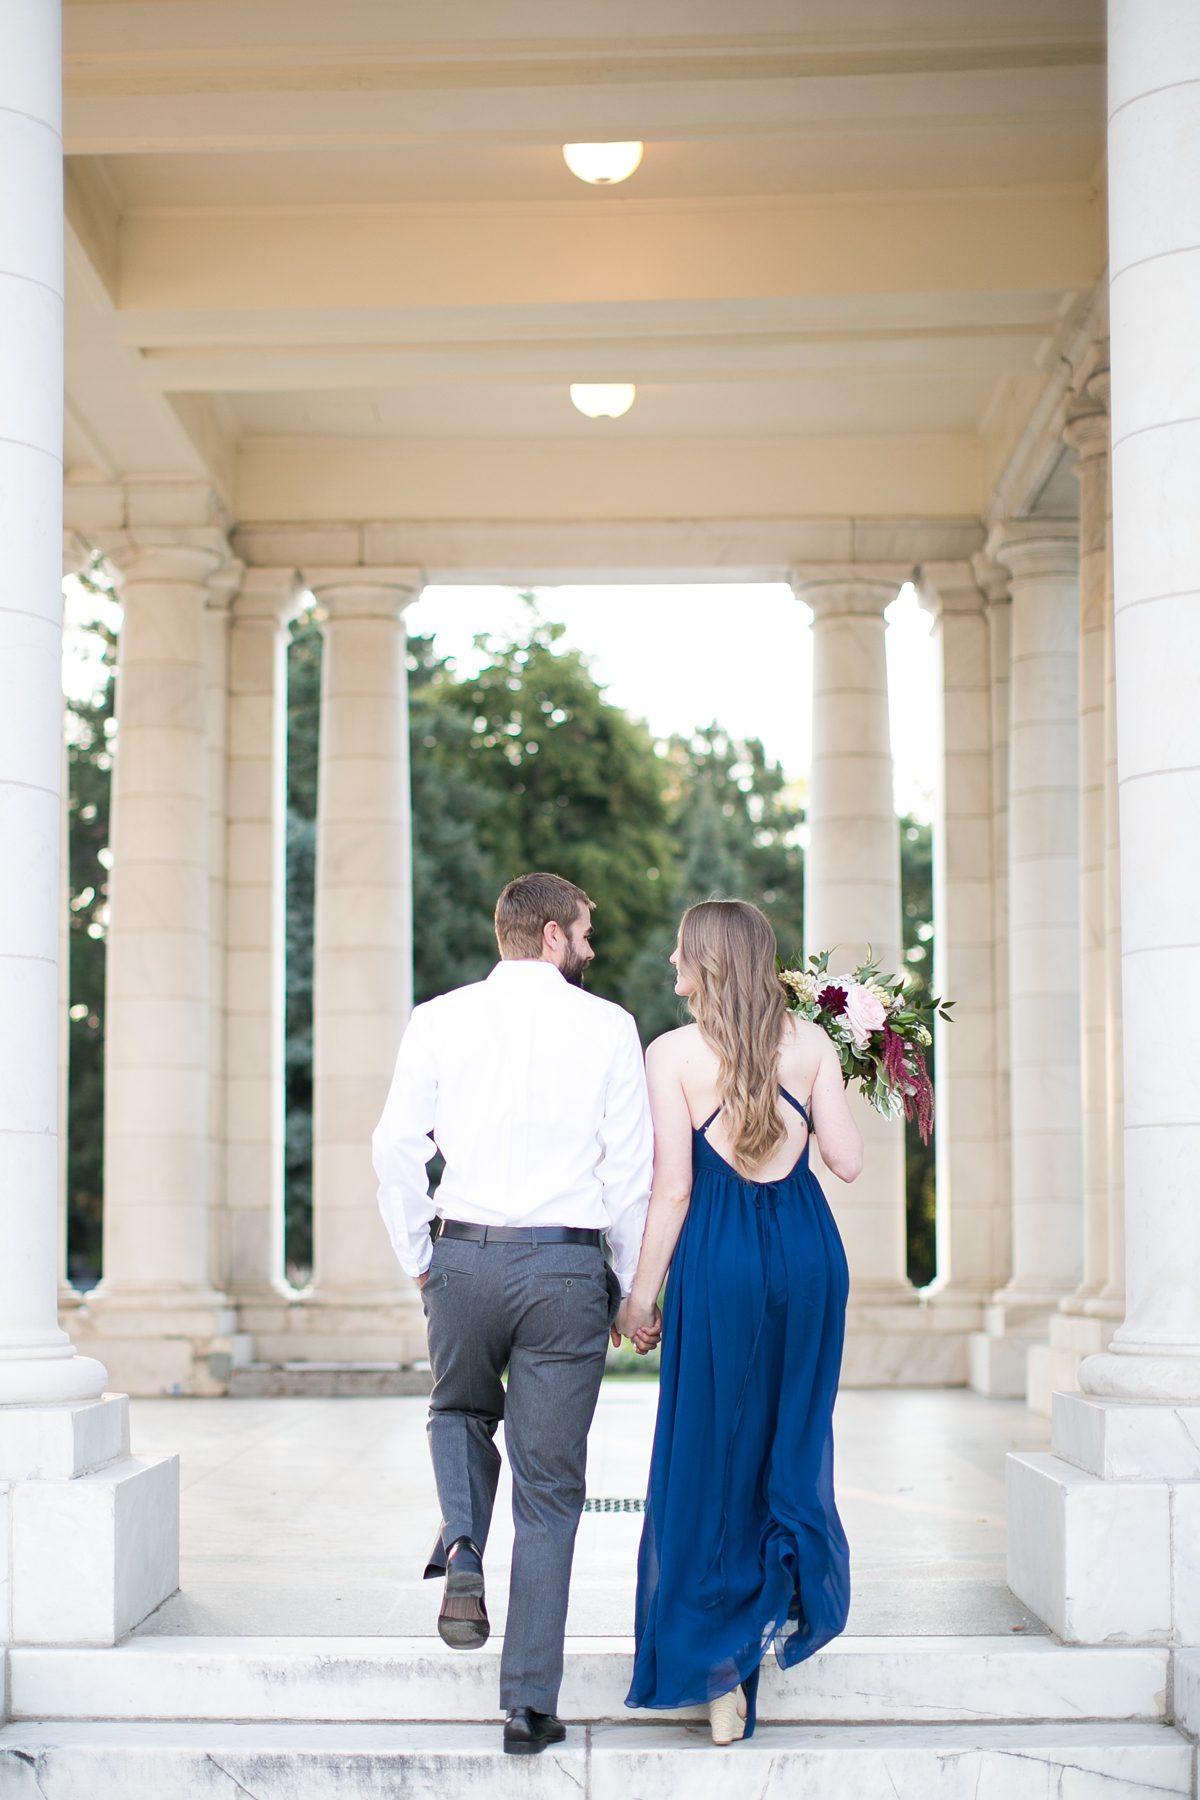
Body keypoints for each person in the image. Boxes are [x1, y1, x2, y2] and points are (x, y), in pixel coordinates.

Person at [371, 871, 653, 1757]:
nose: (592, 949)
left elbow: (392, 1149)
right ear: (547, 937)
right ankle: (529, 1705)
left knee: (457, 1411)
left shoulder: (437, 1018)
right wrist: (632, 1285)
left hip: (463, 1253)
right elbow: (629, 1176)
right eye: (585, 933)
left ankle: (461, 1548)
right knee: (551, 1492)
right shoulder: (608, 1026)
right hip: (566, 1267)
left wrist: (421, 1253)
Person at [622, 898, 862, 1746]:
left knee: (712, 1455)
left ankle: (720, 1675)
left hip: (718, 1264)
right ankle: (780, 1602)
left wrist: (640, 1297)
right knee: (790, 1441)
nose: (674, 968)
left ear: (709, 964)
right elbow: (848, 1161)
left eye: (683, 954)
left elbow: (675, 1190)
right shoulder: (812, 1044)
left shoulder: (673, 1055)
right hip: (805, 1257)